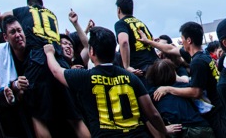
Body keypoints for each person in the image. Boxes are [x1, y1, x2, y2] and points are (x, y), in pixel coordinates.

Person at [43, 26, 173, 138]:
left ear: (92, 51)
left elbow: (56, 71)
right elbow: (153, 113)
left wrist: (49, 53)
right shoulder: (131, 77)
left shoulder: (83, 77)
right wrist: (164, 129)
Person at [0, 0, 90, 138]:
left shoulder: (25, 10)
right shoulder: (51, 15)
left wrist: (3, 28)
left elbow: (3, 16)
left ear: (29, 5)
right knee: (75, 118)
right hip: (59, 62)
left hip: (37, 61)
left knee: (38, 117)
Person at [148, 21, 226, 137]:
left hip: (216, 112)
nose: (181, 42)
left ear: (188, 40)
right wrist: (148, 42)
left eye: (182, 39)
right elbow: (170, 49)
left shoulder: (197, 62)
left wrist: (168, 89)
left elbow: (196, 92)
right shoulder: (202, 55)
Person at [145, 58, 210, 137]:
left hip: (182, 129)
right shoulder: (183, 87)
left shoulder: (151, 94)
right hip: (197, 128)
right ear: (174, 73)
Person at [114, 0, 158, 81]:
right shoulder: (141, 23)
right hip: (155, 65)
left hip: (139, 68)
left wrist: (126, 66)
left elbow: (124, 42)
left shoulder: (121, 23)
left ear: (119, 10)